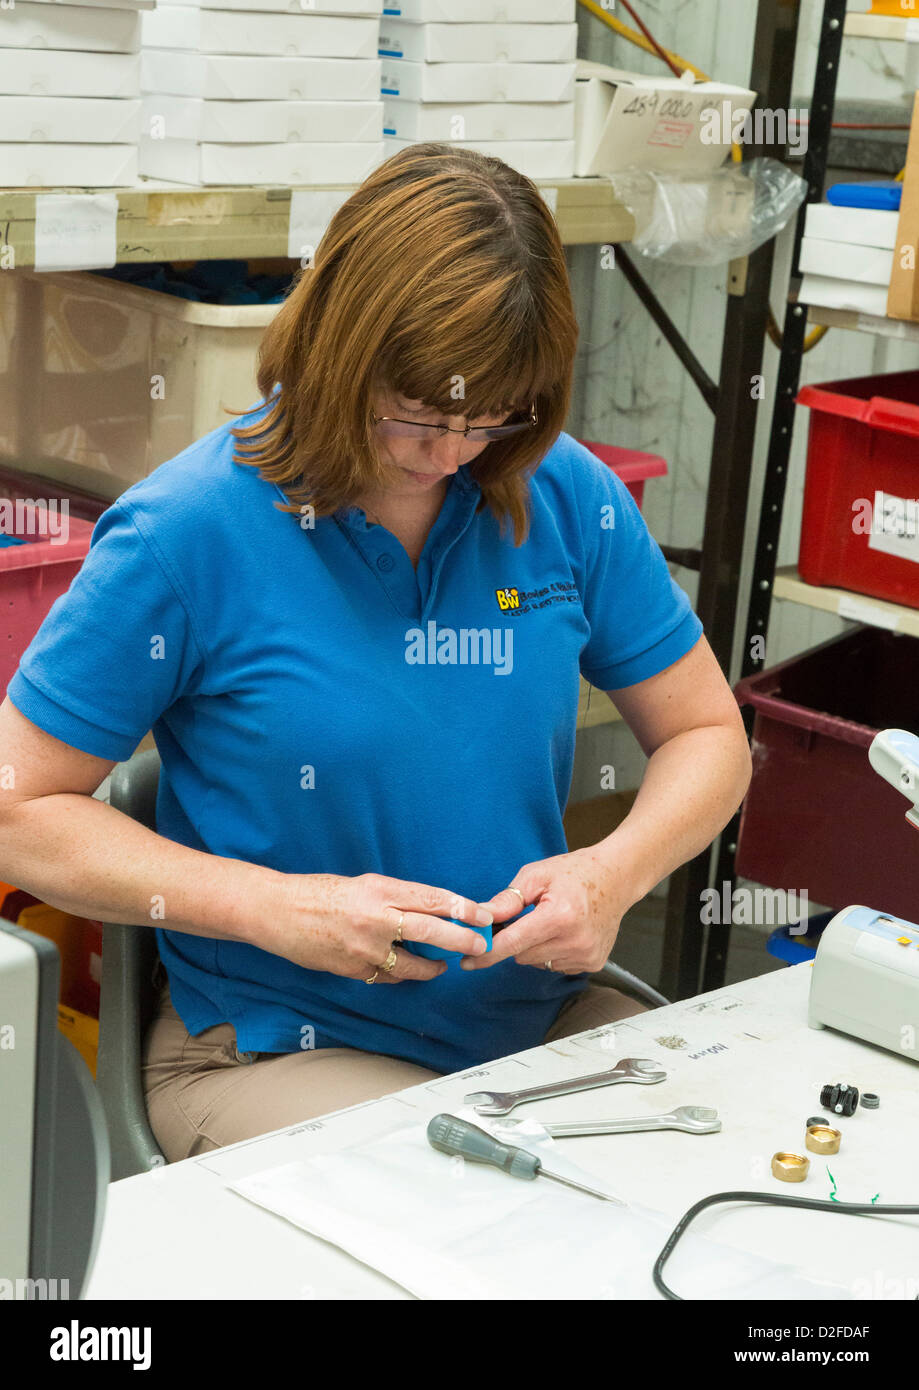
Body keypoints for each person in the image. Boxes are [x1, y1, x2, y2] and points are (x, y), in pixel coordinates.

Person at [0, 144, 751, 1162]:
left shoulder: (563, 494)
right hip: (273, 1050)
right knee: (463, 1218)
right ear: (337, 348)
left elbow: (710, 734)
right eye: (419, 416)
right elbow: (17, 809)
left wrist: (611, 876)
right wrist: (277, 907)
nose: (450, 454)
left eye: (489, 419)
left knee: (730, 1162)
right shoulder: (187, 531)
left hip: (522, 1024)